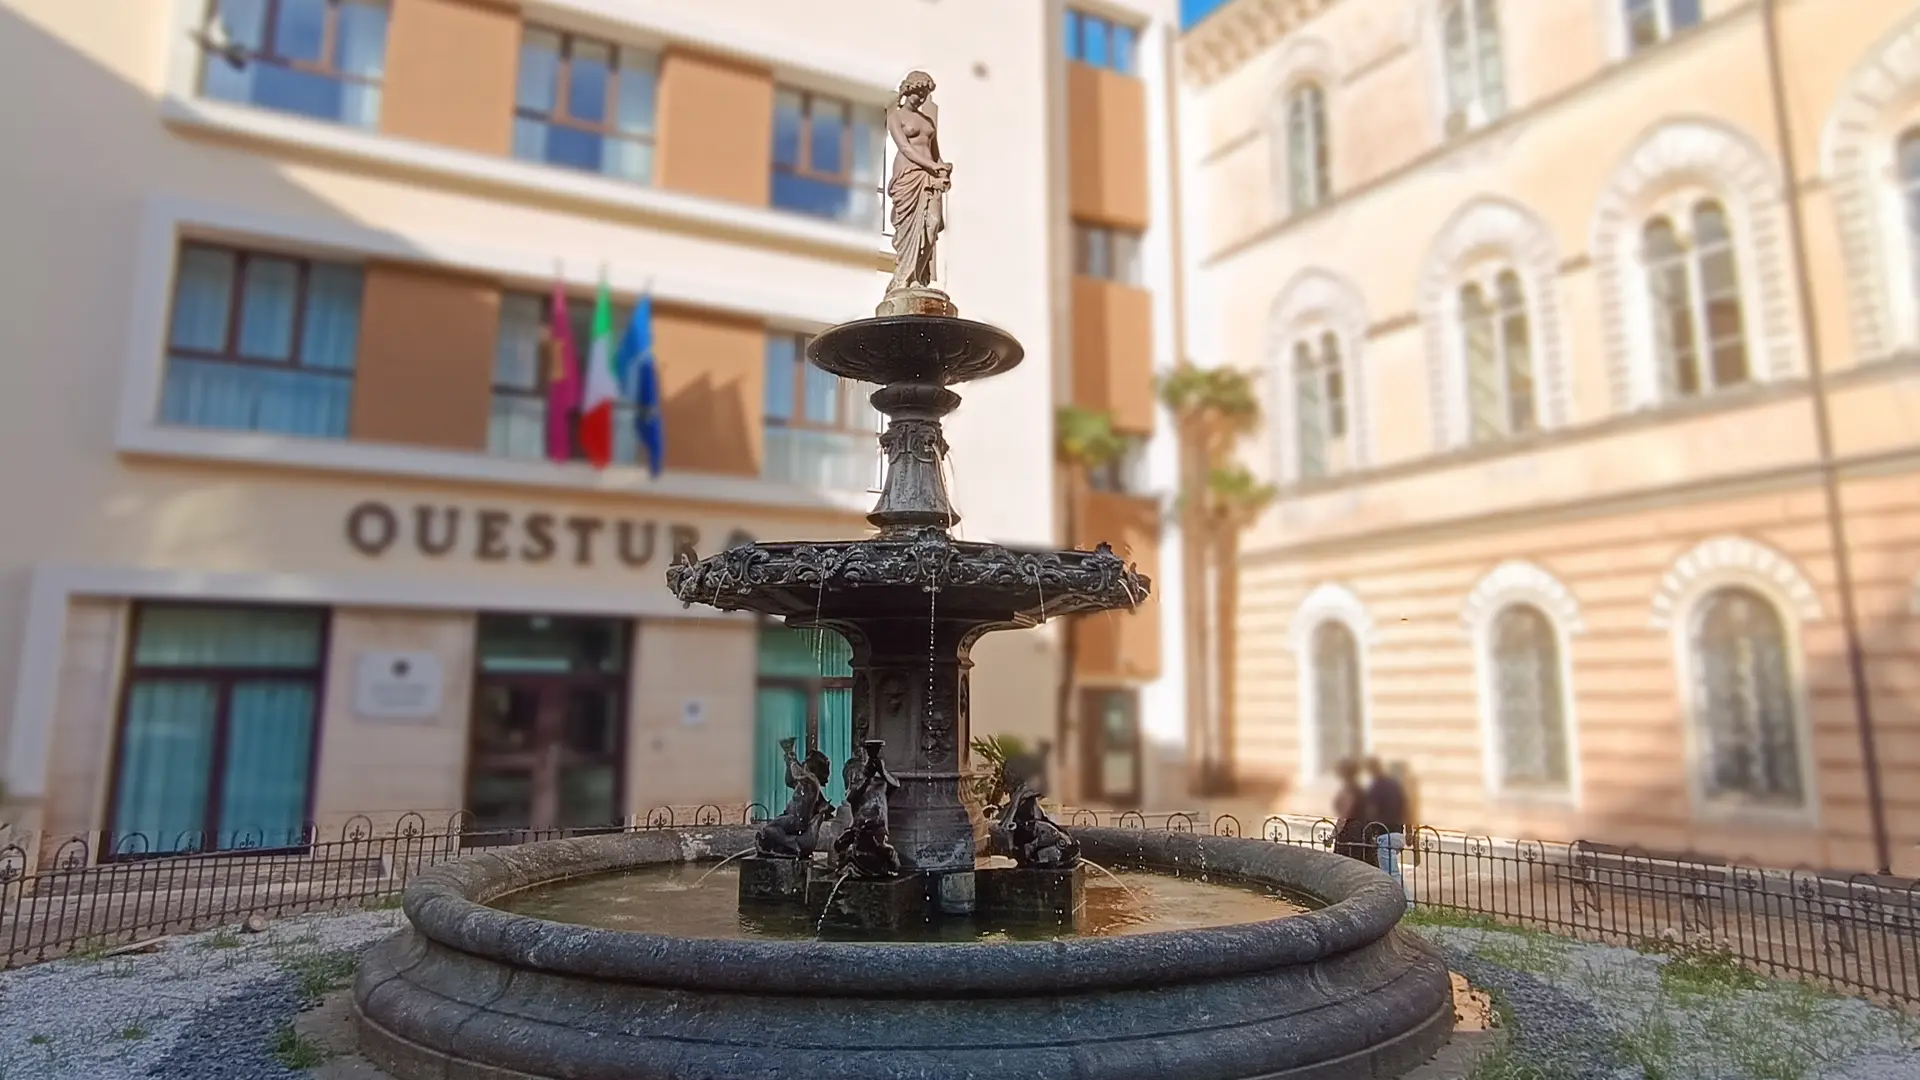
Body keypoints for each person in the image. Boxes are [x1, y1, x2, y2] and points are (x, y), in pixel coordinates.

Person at [884, 70, 951, 295]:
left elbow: (935, 153)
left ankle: (918, 277)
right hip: (909, 174)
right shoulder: (896, 117)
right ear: (908, 91)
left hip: (930, 177)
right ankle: (904, 276)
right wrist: (932, 166)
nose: (921, 99)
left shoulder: (928, 121)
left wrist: (943, 170)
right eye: (918, 94)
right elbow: (905, 148)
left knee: (931, 228)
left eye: (924, 95)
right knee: (910, 228)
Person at [1364, 756, 1411, 897]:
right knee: (1392, 871)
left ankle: (1408, 904)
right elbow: (1407, 809)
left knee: (1390, 874)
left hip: (1385, 835)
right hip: (1398, 834)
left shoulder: (1376, 787)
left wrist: (1371, 832)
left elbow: (1371, 811)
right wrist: (1409, 832)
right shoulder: (1396, 786)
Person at [1330, 758, 1374, 865]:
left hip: (1351, 834)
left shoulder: (1349, 789)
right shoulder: (1360, 789)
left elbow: (1345, 814)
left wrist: (1333, 835)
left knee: (1348, 866)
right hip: (1363, 830)